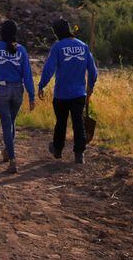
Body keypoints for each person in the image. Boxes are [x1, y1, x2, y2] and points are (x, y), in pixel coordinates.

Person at [38, 18, 98, 164]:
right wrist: (90, 87)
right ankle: (79, 154)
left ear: (57, 32)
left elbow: (49, 69)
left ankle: (57, 150)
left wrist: (41, 85)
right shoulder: (83, 46)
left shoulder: (58, 47)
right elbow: (93, 71)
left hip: (61, 94)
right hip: (79, 94)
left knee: (61, 122)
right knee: (78, 123)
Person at [0, 20, 35, 174]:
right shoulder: (22, 50)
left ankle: (12, 159)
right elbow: (27, 75)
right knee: (11, 123)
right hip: (18, 89)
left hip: (2, 89)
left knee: (7, 125)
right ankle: (7, 151)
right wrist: (31, 96)